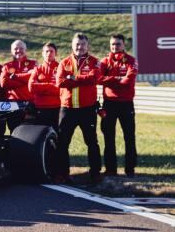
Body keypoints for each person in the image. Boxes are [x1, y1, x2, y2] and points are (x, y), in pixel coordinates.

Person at [54, 33, 105, 184]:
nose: (80, 47)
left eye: (83, 44)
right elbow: (59, 82)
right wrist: (81, 80)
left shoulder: (95, 62)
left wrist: (74, 78)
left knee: (92, 142)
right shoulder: (64, 62)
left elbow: (94, 78)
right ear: (72, 45)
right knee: (62, 142)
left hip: (87, 109)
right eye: (77, 44)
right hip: (67, 109)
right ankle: (62, 173)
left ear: (87, 46)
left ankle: (95, 173)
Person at [100, 34, 138, 177]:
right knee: (108, 137)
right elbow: (98, 78)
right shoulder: (104, 62)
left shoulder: (131, 61)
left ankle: (130, 169)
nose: (115, 47)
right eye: (113, 44)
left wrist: (109, 80)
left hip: (126, 104)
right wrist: (116, 79)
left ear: (124, 45)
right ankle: (111, 169)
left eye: (118, 44)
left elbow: (128, 80)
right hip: (109, 104)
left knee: (129, 137)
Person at [0, 40, 36, 131]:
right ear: (11, 51)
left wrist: (15, 77)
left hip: (29, 104)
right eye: (15, 48)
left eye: (21, 48)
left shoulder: (33, 64)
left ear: (26, 50)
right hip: (13, 105)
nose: (18, 50)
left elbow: (34, 78)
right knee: (14, 131)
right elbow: (4, 83)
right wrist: (25, 80)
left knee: (30, 132)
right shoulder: (7, 66)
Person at [27, 42, 61, 129]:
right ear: (42, 53)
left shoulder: (61, 68)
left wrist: (41, 87)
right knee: (41, 135)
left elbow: (61, 89)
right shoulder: (37, 69)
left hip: (57, 108)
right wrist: (50, 86)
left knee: (58, 135)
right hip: (40, 108)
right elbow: (31, 87)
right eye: (46, 51)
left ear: (55, 53)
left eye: (51, 51)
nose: (49, 53)